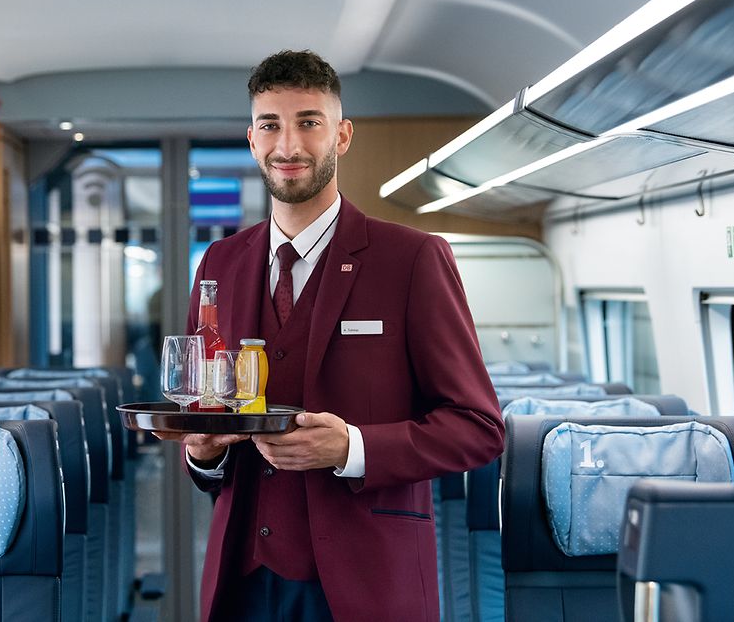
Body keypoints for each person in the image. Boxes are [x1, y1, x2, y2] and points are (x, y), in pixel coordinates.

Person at [155, 49, 504, 621]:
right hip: (241, 580)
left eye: (308, 123)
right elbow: (207, 417)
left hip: (367, 579)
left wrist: (352, 448)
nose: (287, 146)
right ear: (251, 138)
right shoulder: (219, 261)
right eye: (270, 125)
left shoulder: (412, 259)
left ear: (341, 135)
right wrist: (204, 455)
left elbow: (478, 429)